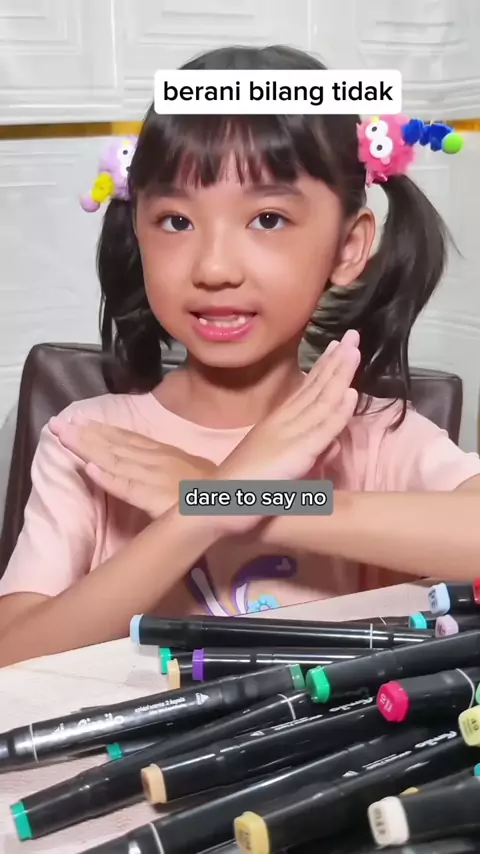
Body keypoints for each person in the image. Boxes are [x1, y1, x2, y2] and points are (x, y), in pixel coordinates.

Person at [0, 45, 479, 668]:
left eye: (268, 219)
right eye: (176, 221)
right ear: (137, 229)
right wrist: (203, 510)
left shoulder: (377, 436)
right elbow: (11, 656)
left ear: (348, 247)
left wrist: (240, 500)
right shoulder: (89, 440)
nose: (214, 267)